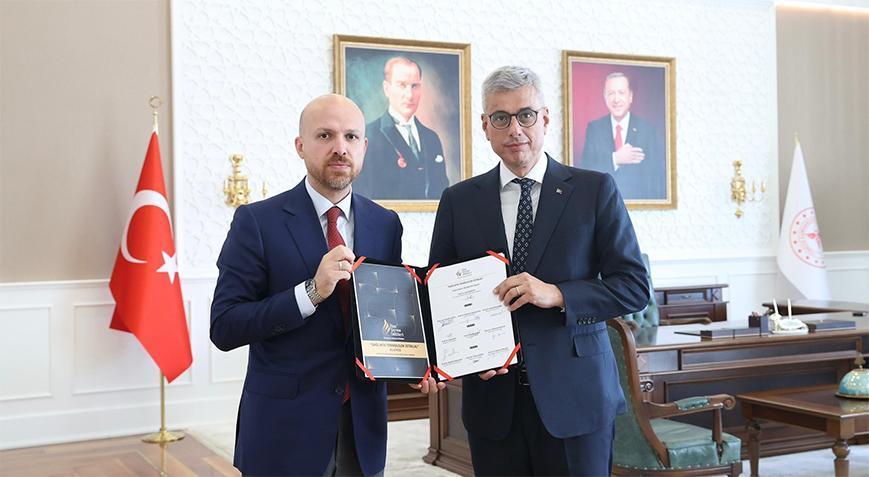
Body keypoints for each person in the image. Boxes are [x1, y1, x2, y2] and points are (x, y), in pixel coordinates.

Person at [427, 66, 649, 476]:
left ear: (545, 118)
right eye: (501, 117)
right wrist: (455, 359)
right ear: (485, 126)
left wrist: (558, 294)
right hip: (493, 404)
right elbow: (438, 296)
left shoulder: (594, 190)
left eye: (526, 115)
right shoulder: (459, 201)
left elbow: (633, 287)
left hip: (577, 400)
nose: (515, 129)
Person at [210, 94, 439, 476]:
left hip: (362, 429)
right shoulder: (257, 222)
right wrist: (311, 292)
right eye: (325, 135)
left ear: (364, 147)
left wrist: (417, 365)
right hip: (283, 431)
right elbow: (225, 326)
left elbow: (386, 319)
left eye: (351, 137)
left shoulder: (385, 224)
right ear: (300, 146)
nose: (340, 148)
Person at [354, 56, 450, 200]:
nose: (409, 95)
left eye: (414, 86)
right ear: (387, 89)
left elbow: (442, 193)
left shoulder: (431, 138)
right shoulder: (368, 135)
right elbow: (363, 194)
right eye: (402, 85)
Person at [580, 72, 667, 201]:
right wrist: (615, 159)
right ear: (605, 97)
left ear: (630, 96)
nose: (616, 99)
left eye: (621, 92)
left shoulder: (647, 130)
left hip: (640, 203)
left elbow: (655, 175)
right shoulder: (594, 128)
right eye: (611, 93)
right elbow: (585, 169)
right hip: (602, 202)